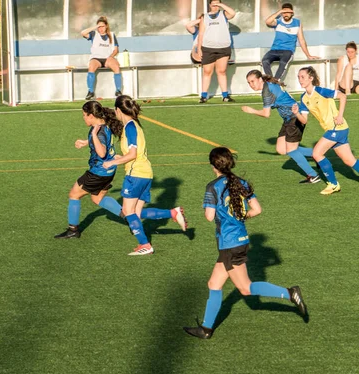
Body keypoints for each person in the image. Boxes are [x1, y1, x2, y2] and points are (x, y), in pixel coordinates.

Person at [183, 147, 307, 339]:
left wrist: (211, 208)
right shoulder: (241, 182)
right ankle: (206, 329)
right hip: (240, 240)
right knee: (214, 284)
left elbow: (209, 217)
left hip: (229, 244)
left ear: (213, 166)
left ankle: (290, 293)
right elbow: (256, 209)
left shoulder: (212, 187)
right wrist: (240, 216)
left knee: (245, 288)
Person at [102, 95, 187, 256]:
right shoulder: (135, 125)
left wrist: (112, 163)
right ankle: (173, 213)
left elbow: (133, 154)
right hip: (145, 173)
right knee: (137, 213)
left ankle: (145, 245)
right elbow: (134, 153)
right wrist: (120, 158)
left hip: (136, 174)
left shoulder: (130, 127)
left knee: (128, 211)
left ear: (118, 110)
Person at [54, 101, 125, 239]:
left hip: (98, 173)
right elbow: (103, 141)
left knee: (74, 194)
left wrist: (92, 136)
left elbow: (102, 152)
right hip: (109, 172)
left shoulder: (97, 132)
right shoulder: (103, 125)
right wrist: (86, 141)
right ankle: (128, 217)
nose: (83, 118)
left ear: (91, 115)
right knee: (98, 198)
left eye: (84, 115)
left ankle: (73, 230)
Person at [242, 70, 320, 184]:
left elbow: (266, 114)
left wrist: (251, 110)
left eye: (253, 81)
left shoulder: (267, 90)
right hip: (288, 120)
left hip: (295, 118)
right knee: (281, 149)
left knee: (292, 151)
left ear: (260, 79)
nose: (251, 84)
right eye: (249, 82)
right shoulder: (268, 86)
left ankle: (313, 175)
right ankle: (317, 153)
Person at [293, 67, 359, 195]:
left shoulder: (320, 91)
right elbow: (304, 120)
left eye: (302, 77)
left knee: (317, 153)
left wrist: (340, 115)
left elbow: (343, 96)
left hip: (337, 128)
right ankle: (333, 184)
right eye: (298, 77)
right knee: (349, 161)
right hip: (336, 129)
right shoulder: (304, 98)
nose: (300, 79)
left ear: (311, 78)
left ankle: (333, 184)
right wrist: (296, 113)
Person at [262, 3, 318, 81]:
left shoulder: (297, 23)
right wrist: (279, 11)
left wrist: (308, 55)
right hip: (274, 50)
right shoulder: (278, 22)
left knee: (283, 63)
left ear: (292, 13)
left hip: (287, 51)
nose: (285, 14)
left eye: (288, 12)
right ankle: (270, 80)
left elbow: (301, 40)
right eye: (284, 12)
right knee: (265, 61)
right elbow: (267, 22)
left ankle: (276, 81)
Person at [197, 0, 236, 103]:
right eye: (213, 4)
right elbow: (201, 34)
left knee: (221, 71)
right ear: (209, 5)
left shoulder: (224, 14)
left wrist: (221, 5)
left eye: (217, 4)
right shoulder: (204, 17)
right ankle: (204, 96)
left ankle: (225, 95)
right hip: (208, 48)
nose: (215, 6)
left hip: (223, 48)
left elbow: (233, 13)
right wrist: (199, 48)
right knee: (207, 72)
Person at [81, 16, 123, 100]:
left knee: (116, 66)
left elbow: (116, 49)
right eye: (99, 27)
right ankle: (90, 91)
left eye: (102, 26)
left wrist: (111, 57)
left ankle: (118, 91)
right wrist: (95, 27)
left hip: (107, 58)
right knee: (91, 66)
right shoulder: (94, 34)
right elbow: (83, 33)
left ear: (106, 26)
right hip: (96, 58)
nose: (100, 28)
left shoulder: (112, 35)